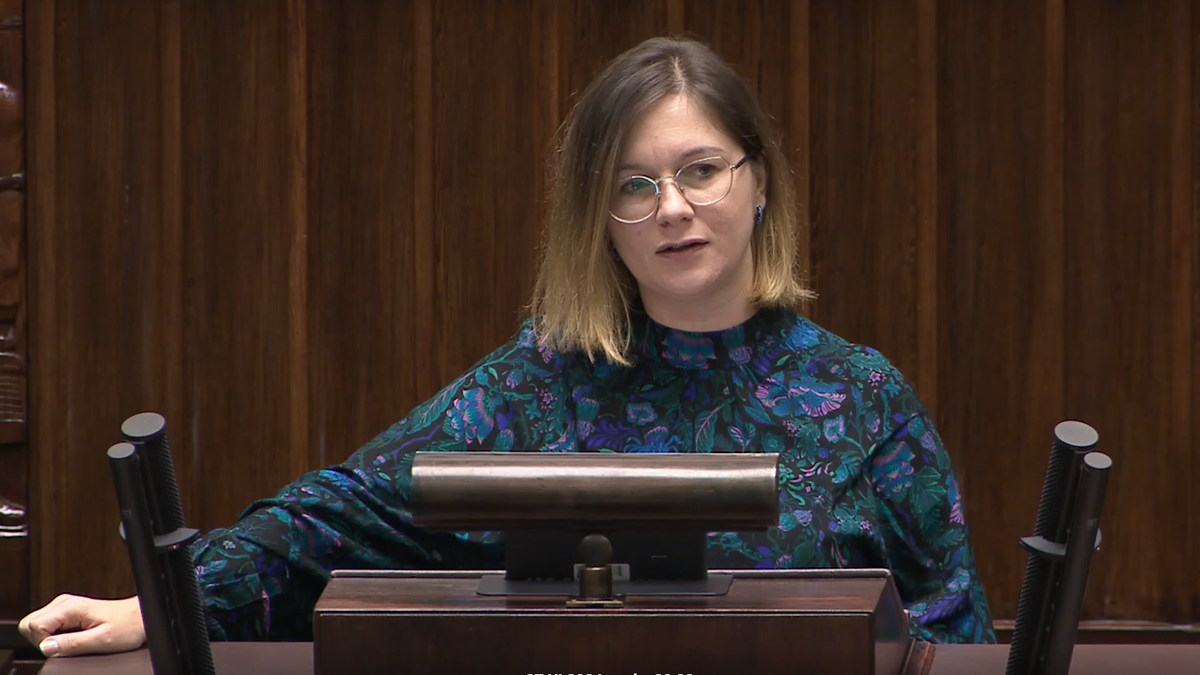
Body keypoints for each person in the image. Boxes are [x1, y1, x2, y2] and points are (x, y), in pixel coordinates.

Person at [19, 36, 996, 657]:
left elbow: (954, 626)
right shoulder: (539, 386)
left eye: (702, 170)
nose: (673, 208)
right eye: (633, 185)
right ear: (599, 218)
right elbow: (332, 520)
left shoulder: (860, 397)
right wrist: (165, 603)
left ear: (760, 182)